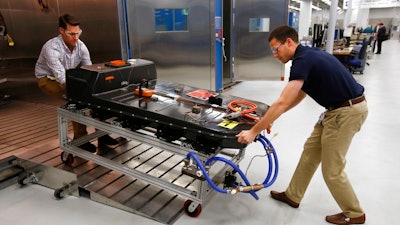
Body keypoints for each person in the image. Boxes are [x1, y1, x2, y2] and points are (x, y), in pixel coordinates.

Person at [236, 25, 368, 225]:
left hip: (346, 113)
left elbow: (282, 101)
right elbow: (299, 94)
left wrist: (254, 131)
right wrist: (271, 116)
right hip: (334, 111)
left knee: (332, 169)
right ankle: (293, 195)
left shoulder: (302, 60)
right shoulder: (307, 56)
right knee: (310, 153)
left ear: (289, 42)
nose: (274, 55)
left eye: (276, 49)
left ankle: (355, 213)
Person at [35, 14, 118, 152]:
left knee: (96, 95)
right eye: (71, 34)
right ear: (61, 31)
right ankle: (80, 140)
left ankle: (102, 135)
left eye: (78, 33)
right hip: (48, 79)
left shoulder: (81, 45)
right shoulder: (51, 48)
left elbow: (90, 70)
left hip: (70, 76)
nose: (76, 37)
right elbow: (61, 78)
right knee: (76, 98)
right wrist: (84, 90)